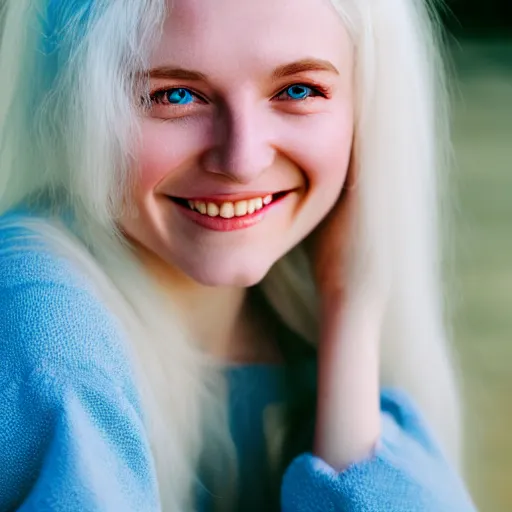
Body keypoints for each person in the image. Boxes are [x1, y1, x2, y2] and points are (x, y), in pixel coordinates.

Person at [0, 0, 477, 510]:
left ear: (367, 113)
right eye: (175, 95)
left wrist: (352, 307)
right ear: (78, 106)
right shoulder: (45, 333)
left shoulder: (293, 314)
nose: (243, 161)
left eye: (298, 90)